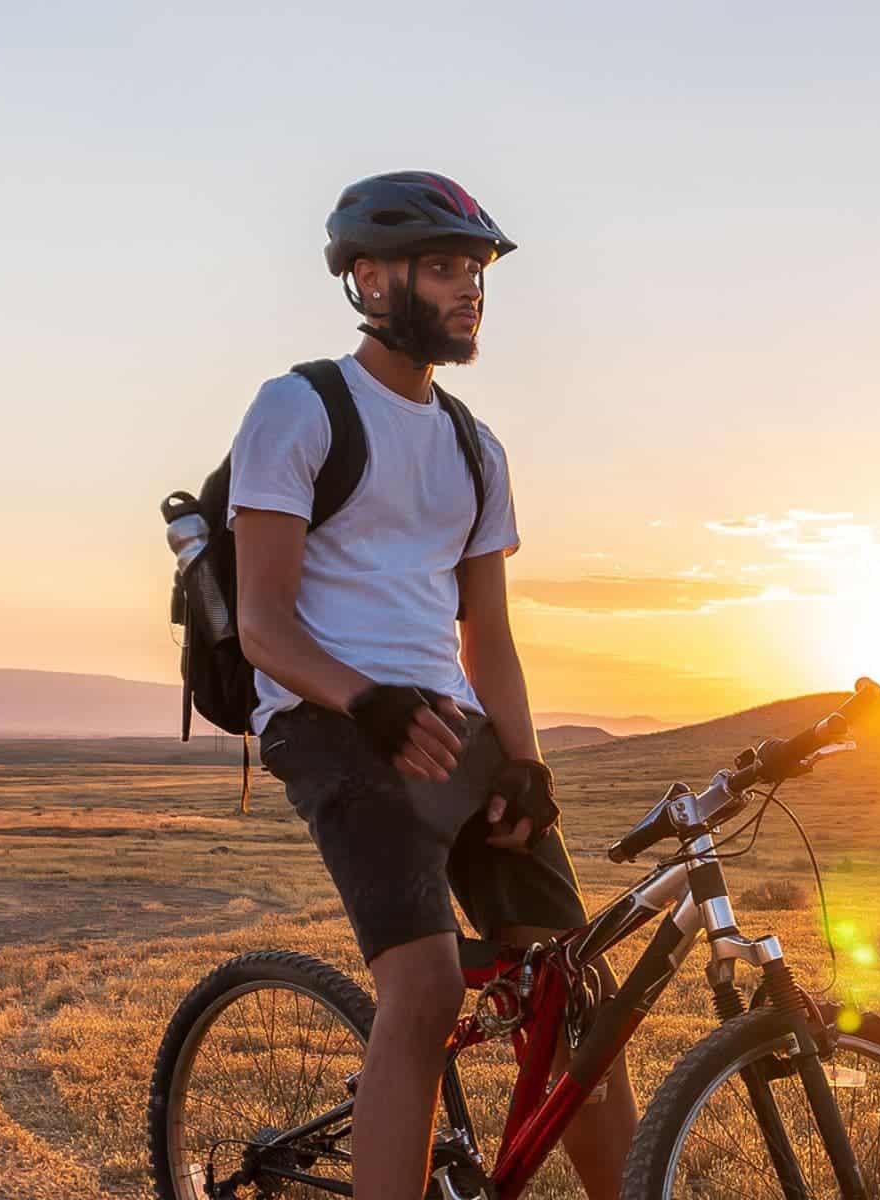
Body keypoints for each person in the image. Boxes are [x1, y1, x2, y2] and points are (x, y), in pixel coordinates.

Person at [229, 171, 636, 1200]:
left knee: (575, 991)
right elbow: (263, 625)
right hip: (332, 720)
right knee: (425, 987)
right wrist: (368, 699)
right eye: (445, 267)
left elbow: (486, 632)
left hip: (449, 723)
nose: (470, 289)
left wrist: (527, 763)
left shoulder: (474, 447)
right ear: (370, 279)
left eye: (478, 272)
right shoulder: (301, 409)